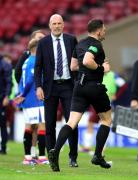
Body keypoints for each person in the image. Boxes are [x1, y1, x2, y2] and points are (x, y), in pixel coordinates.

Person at [48, 19, 112, 172]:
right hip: (94, 87)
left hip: (79, 87)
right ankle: (97, 155)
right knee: (106, 119)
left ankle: (55, 151)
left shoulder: (80, 43)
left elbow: (73, 66)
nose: (105, 31)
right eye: (104, 29)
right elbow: (87, 60)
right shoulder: (96, 45)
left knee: (71, 122)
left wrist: (86, 71)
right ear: (98, 31)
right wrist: (101, 68)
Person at [34, 14, 78, 167]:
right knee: (50, 124)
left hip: (68, 86)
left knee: (72, 122)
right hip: (49, 87)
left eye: (59, 23)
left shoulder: (71, 40)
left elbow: (77, 62)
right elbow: (38, 66)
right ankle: (52, 156)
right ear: (49, 25)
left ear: (63, 24)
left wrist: (78, 83)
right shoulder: (43, 43)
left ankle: (73, 157)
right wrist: (38, 86)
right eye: (54, 23)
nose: (57, 26)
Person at [14, 39, 49, 165]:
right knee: (42, 125)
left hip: (27, 99)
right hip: (35, 98)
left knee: (29, 126)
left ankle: (28, 157)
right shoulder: (35, 61)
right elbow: (30, 79)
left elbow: (22, 79)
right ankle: (41, 157)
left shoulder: (26, 61)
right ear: (38, 49)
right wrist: (23, 94)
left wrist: (21, 94)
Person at [0, 54, 12, 154]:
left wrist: (7, 96)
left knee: (2, 124)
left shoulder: (5, 64)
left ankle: (3, 147)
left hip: (1, 98)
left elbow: (9, 82)